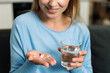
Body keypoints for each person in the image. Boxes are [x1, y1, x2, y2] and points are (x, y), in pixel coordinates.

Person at [9, 0, 93, 73]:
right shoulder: (21, 24)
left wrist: (75, 65)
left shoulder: (81, 30)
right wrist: (31, 63)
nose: (52, 4)